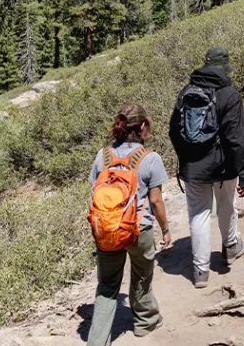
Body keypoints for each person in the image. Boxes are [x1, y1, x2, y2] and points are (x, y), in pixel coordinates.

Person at [169, 47, 244, 289]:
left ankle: (200, 271)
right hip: (224, 166)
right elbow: (237, 139)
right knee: (227, 206)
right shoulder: (229, 95)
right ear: (225, 67)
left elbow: (173, 131)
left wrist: (185, 159)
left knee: (198, 214)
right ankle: (231, 248)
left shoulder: (185, 92)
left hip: (193, 168)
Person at [87, 103, 170, 345]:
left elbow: (95, 192)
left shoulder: (102, 156)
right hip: (138, 229)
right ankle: (145, 322)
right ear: (143, 126)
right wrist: (165, 229)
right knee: (142, 275)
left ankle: (97, 340)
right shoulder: (150, 158)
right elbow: (155, 201)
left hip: (107, 230)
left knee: (107, 285)